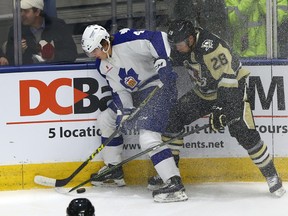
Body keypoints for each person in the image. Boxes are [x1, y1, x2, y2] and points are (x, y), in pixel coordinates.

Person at [147, 19, 286, 198]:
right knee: (173, 118)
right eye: (175, 45)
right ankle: (169, 175)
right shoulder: (184, 47)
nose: (177, 48)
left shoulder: (210, 47)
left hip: (232, 89)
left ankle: (272, 175)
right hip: (205, 93)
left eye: (180, 44)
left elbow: (228, 79)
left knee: (242, 130)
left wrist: (221, 107)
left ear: (190, 39)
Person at [81, 24, 188, 203]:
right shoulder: (102, 65)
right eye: (90, 53)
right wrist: (125, 112)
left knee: (147, 137)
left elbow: (158, 37)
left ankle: (174, 183)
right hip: (138, 94)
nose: (94, 56)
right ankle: (113, 169)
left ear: (104, 42)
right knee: (105, 120)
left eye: (95, 51)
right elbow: (120, 91)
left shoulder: (126, 40)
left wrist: (163, 61)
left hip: (160, 87)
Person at [6, 0, 77, 65]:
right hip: (28, 74)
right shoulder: (16, 30)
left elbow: (72, 54)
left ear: (37, 12)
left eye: (26, 11)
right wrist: (19, 52)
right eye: (21, 11)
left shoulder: (58, 26)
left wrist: (53, 56)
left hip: (55, 72)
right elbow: (9, 60)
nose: (22, 14)